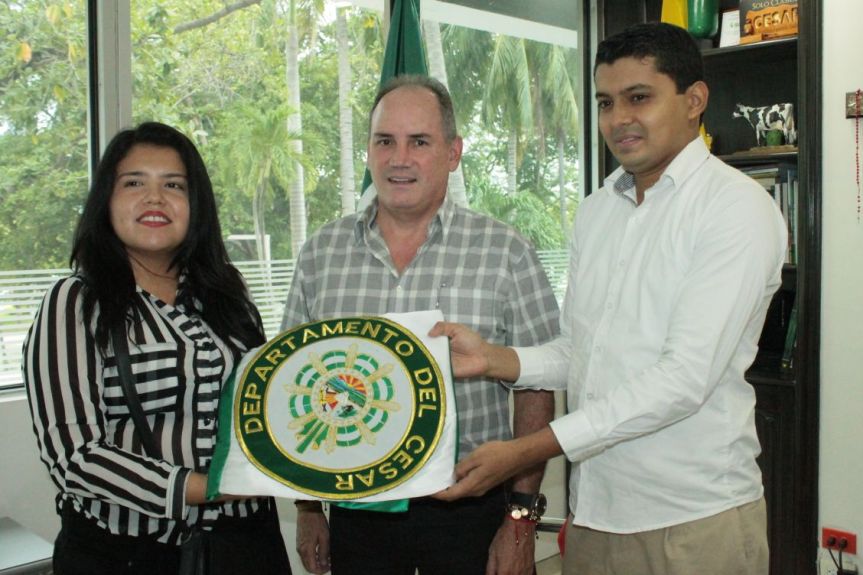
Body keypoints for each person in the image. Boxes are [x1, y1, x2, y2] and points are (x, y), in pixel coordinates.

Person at [431, 22, 787, 575]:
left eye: (638, 98)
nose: (618, 119)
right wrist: (494, 360)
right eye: (605, 102)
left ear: (694, 100)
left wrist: (528, 449)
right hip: (596, 513)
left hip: (693, 520)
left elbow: (683, 379)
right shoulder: (598, 210)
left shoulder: (735, 207)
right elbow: (580, 351)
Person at [281, 74, 560, 575]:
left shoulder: (506, 252)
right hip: (356, 512)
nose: (399, 158)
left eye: (420, 142)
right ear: (368, 150)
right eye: (385, 141)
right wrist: (307, 509)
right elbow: (294, 382)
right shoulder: (321, 254)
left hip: (471, 510)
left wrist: (520, 519)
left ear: (453, 153)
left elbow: (537, 390)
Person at [23, 122, 292, 574]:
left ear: (195, 205)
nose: (155, 198)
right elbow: (74, 458)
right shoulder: (75, 301)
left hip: (245, 544)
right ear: (106, 201)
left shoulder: (227, 295)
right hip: (129, 554)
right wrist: (206, 487)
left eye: (174, 185)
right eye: (134, 183)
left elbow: (266, 406)